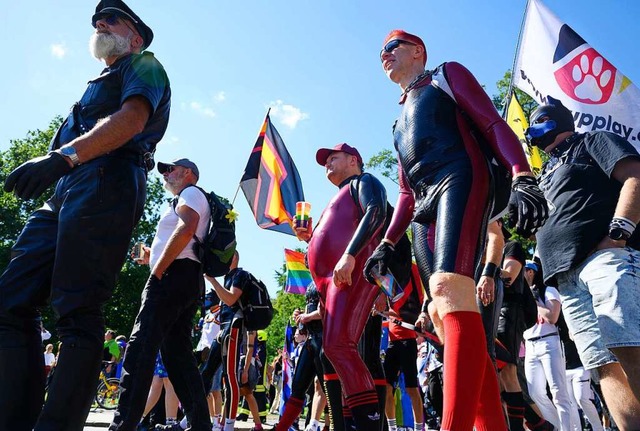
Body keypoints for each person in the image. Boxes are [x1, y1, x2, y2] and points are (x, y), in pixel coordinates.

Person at [0, 1, 170, 429]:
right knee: (10, 300)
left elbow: (131, 120)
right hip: (65, 191)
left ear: (135, 36)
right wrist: (54, 166)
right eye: (97, 19)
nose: (100, 22)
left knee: (77, 308)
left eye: (112, 18)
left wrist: (61, 157)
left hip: (106, 181)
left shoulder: (145, 64)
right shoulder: (95, 82)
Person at [366, 29, 547, 430]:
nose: (383, 56)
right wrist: (386, 242)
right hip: (423, 206)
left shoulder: (446, 75)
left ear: (418, 51)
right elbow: (404, 193)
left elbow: (492, 122)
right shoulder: (397, 124)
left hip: (460, 179)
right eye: (380, 52)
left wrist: (522, 175)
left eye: (390, 47)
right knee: (440, 311)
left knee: (449, 289)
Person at [526, 97, 640, 428]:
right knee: (602, 364)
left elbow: (635, 176)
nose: (532, 131)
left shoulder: (594, 140)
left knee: (629, 344)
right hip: (565, 278)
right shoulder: (543, 172)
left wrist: (619, 234)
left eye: (538, 122)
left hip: (605, 257)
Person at [109, 158, 211, 431]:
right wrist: (151, 258)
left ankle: (122, 425)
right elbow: (186, 236)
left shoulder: (190, 194)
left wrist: (158, 269)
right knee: (178, 357)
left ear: (188, 172)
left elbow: (187, 227)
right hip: (185, 279)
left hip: (171, 277)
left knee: (140, 347)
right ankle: (200, 425)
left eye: (171, 169)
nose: (165, 174)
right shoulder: (186, 198)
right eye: (164, 170)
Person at [295, 142, 389, 429]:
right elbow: (327, 244)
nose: (327, 164)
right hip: (330, 283)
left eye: (333, 158)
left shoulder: (364, 182)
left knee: (339, 346)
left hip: (351, 273)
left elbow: (377, 211)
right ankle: (353, 423)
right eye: (326, 161)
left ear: (353, 160)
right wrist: (309, 238)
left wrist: (350, 254)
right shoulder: (335, 200)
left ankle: (369, 423)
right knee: (336, 350)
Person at [198, 251, 258, 431]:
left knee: (230, 377)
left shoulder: (240, 275)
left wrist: (212, 280)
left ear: (233, 259)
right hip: (224, 330)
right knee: (206, 374)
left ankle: (228, 426)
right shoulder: (229, 277)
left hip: (233, 330)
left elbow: (231, 298)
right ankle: (192, 418)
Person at [523, 268, 576, 431]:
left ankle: (567, 428)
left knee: (559, 392)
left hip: (549, 341)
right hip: (530, 345)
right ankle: (556, 427)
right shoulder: (519, 294)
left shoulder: (548, 290)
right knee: (535, 393)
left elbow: (552, 317)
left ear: (531, 272)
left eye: (522, 270)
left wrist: (534, 301)